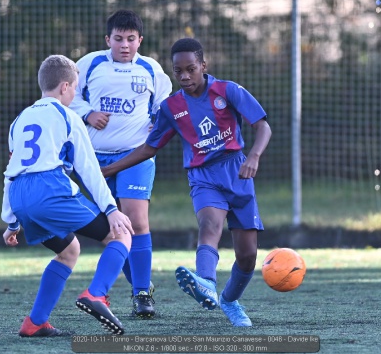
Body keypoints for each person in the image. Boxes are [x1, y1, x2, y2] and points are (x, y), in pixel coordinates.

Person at [100, 38, 272, 327]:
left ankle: (229, 300)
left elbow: (262, 125)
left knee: (247, 256)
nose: (184, 76)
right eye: (178, 71)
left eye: (191, 69)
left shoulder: (227, 90)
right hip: (203, 177)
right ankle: (205, 282)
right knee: (210, 226)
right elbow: (149, 148)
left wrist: (253, 156)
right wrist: (108, 170)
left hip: (237, 172)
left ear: (203, 66)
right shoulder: (171, 107)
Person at [1, 54, 135, 337]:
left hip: (20, 197)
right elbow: (89, 170)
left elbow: (11, 172)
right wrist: (112, 209)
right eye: (75, 88)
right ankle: (96, 294)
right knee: (121, 234)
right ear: (64, 87)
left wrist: (12, 222)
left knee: (69, 251)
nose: (75, 93)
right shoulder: (68, 116)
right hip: (50, 190)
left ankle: (34, 323)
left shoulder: (19, 121)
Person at [69, 9, 172, 319]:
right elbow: (66, 96)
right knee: (114, 227)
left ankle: (142, 294)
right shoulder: (89, 64)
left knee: (137, 220)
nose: (124, 45)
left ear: (140, 40)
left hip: (134, 157)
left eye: (130, 39)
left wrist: (158, 123)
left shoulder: (151, 70)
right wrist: (87, 113)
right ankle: (140, 284)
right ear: (107, 39)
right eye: (118, 39)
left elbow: (163, 107)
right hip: (94, 160)